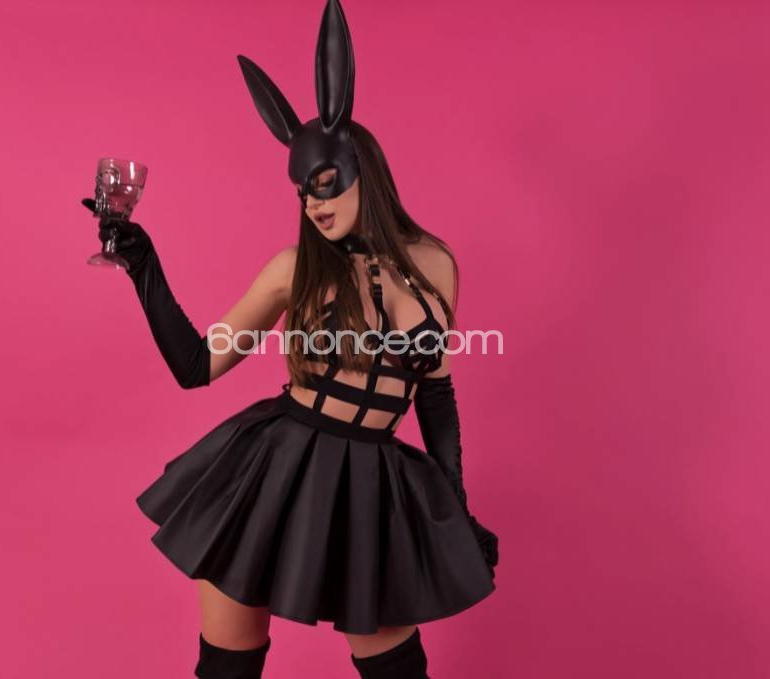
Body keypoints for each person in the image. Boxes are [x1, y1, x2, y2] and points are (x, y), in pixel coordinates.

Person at [81, 1, 498, 676]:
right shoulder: (293, 269)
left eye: (327, 185)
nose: (315, 204)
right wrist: (143, 266)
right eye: (304, 192)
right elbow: (197, 364)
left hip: (371, 480)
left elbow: (436, 394)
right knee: (229, 666)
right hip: (272, 470)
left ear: (364, 170)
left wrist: (457, 506)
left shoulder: (437, 264)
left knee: (396, 668)